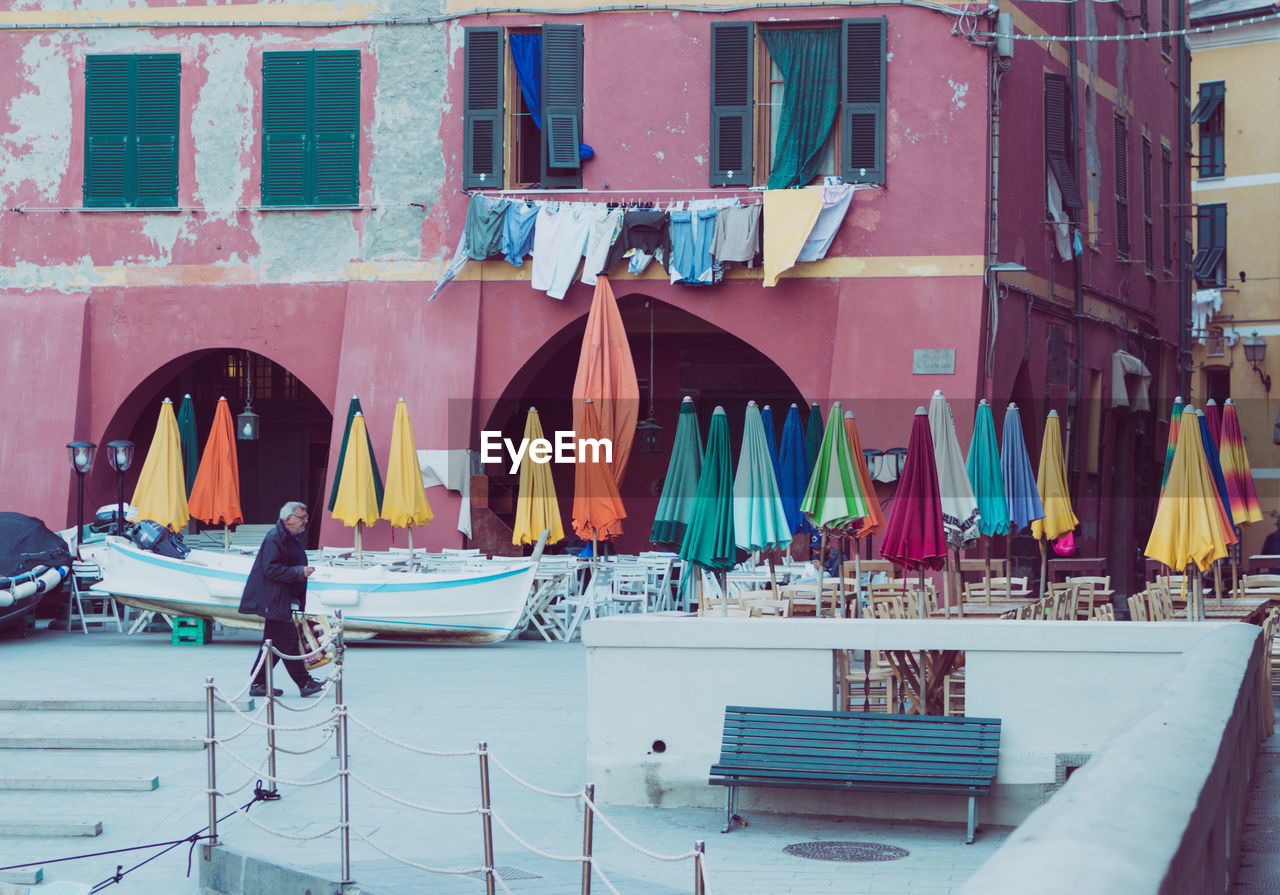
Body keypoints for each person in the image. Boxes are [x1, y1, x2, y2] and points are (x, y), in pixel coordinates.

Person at [238, 502, 325, 698]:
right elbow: (271, 569)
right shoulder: (274, 538)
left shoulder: (289, 537)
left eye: (305, 517)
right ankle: (305, 683)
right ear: (289, 519)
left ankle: (258, 683)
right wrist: (298, 572)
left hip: (280, 599)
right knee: (288, 642)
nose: (305, 521)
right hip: (273, 600)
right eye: (302, 518)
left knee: (272, 644)